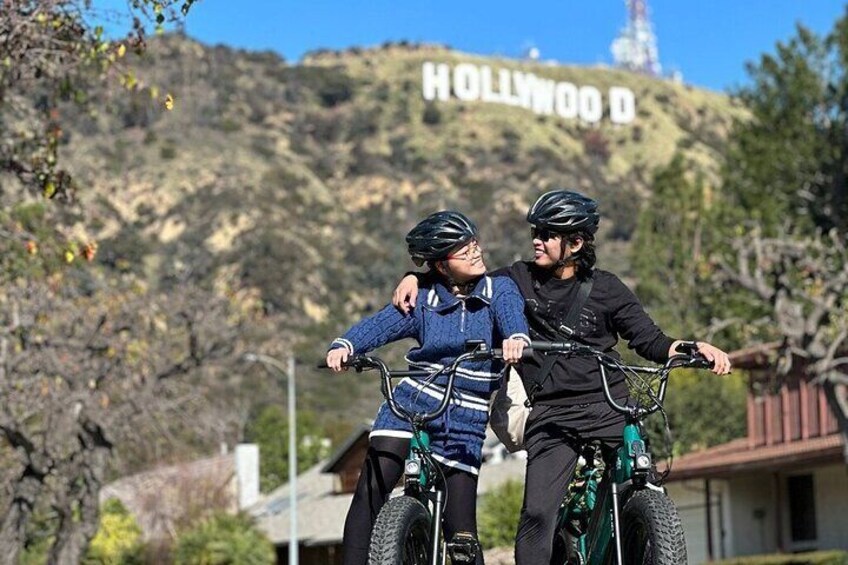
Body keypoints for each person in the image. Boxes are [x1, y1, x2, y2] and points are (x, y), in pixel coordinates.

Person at [391, 190, 732, 564]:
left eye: (547, 234)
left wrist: (692, 348)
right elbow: (461, 277)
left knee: (642, 481)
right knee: (538, 515)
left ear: (576, 242)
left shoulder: (607, 288)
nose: (537, 240)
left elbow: (650, 340)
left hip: (611, 405)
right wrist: (416, 277)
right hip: (553, 415)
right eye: (536, 232)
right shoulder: (514, 281)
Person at [327, 210, 530, 565]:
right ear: (441, 265)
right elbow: (380, 326)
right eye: (462, 249)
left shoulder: (500, 290)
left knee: (462, 533)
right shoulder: (421, 298)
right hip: (412, 401)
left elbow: (513, 316)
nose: (474, 251)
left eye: (474, 242)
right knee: (370, 492)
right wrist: (345, 346)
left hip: (466, 417)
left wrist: (515, 337)